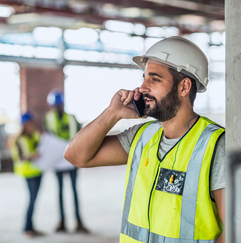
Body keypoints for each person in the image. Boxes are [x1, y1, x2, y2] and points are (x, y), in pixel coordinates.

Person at [64, 36, 225, 243]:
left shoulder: (215, 145)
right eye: (144, 77)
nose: (142, 87)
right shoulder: (141, 137)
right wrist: (113, 113)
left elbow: (233, 228)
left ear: (184, 87)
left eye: (154, 79)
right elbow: (76, 156)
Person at [44, 91, 88, 233]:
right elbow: (48, 140)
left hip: (72, 159)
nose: (57, 107)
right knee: (60, 191)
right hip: (58, 161)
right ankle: (62, 222)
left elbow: (80, 136)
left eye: (59, 105)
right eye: (55, 105)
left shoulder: (72, 118)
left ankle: (78, 222)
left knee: (74, 191)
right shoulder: (47, 119)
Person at [9, 112, 44, 238]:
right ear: (24, 125)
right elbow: (18, 158)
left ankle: (31, 227)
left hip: (38, 171)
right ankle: (27, 228)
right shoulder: (17, 140)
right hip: (28, 173)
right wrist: (31, 156)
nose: (32, 125)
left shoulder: (35, 135)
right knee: (31, 200)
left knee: (34, 200)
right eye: (30, 123)